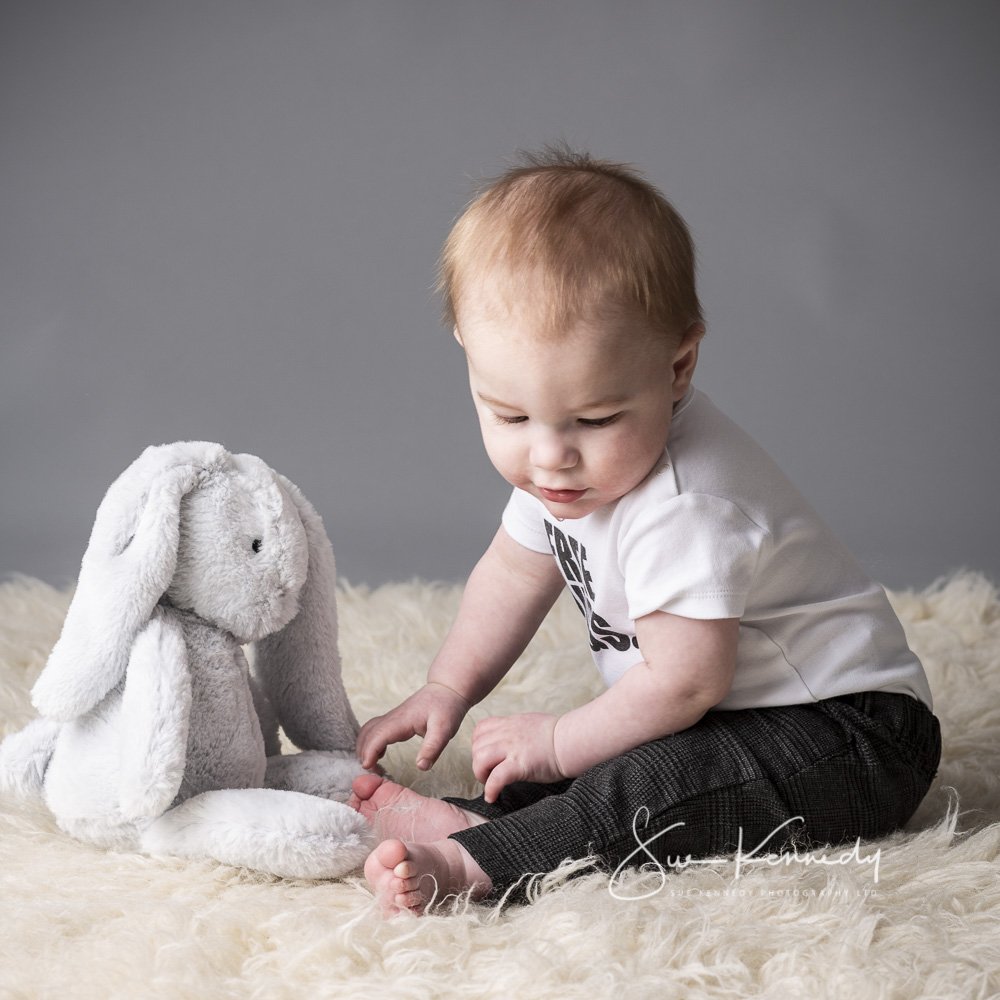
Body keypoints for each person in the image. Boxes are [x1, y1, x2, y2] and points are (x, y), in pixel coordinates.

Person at [350, 147, 941, 915]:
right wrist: (447, 686)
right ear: (468, 351)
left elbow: (686, 681)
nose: (550, 455)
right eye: (509, 415)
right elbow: (513, 570)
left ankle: (478, 863)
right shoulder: (567, 469)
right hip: (719, 716)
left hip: (851, 738)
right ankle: (490, 816)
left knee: (644, 781)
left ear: (678, 365)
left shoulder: (684, 505)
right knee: (585, 759)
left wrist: (559, 740)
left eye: (595, 419)